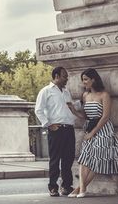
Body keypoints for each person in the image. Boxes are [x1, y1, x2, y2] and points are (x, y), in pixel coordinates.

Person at [66, 68, 118, 198]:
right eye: (82, 80)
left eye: (86, 79)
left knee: (98, 160)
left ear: (94, 79)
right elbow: (86, 116)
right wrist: (73, 111)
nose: (84, 82)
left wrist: (93, 133)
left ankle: (80, 189)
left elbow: (105, 116)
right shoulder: (85, 95)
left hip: (103, 129)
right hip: (89, 126)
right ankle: (81, 189)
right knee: (84, 159)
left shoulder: (104, 95)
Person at [35, 66, 76, 197]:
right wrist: (48, 125)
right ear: (56, 76)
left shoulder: (66, 92)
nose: (67, 79)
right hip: (56, 130)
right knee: (55, 160)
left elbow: (70, 108)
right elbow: (38, 110)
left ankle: (66, 186)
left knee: (68, 159)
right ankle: (53, 187)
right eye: (65, 76)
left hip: (69, 129)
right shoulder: (45, 91)